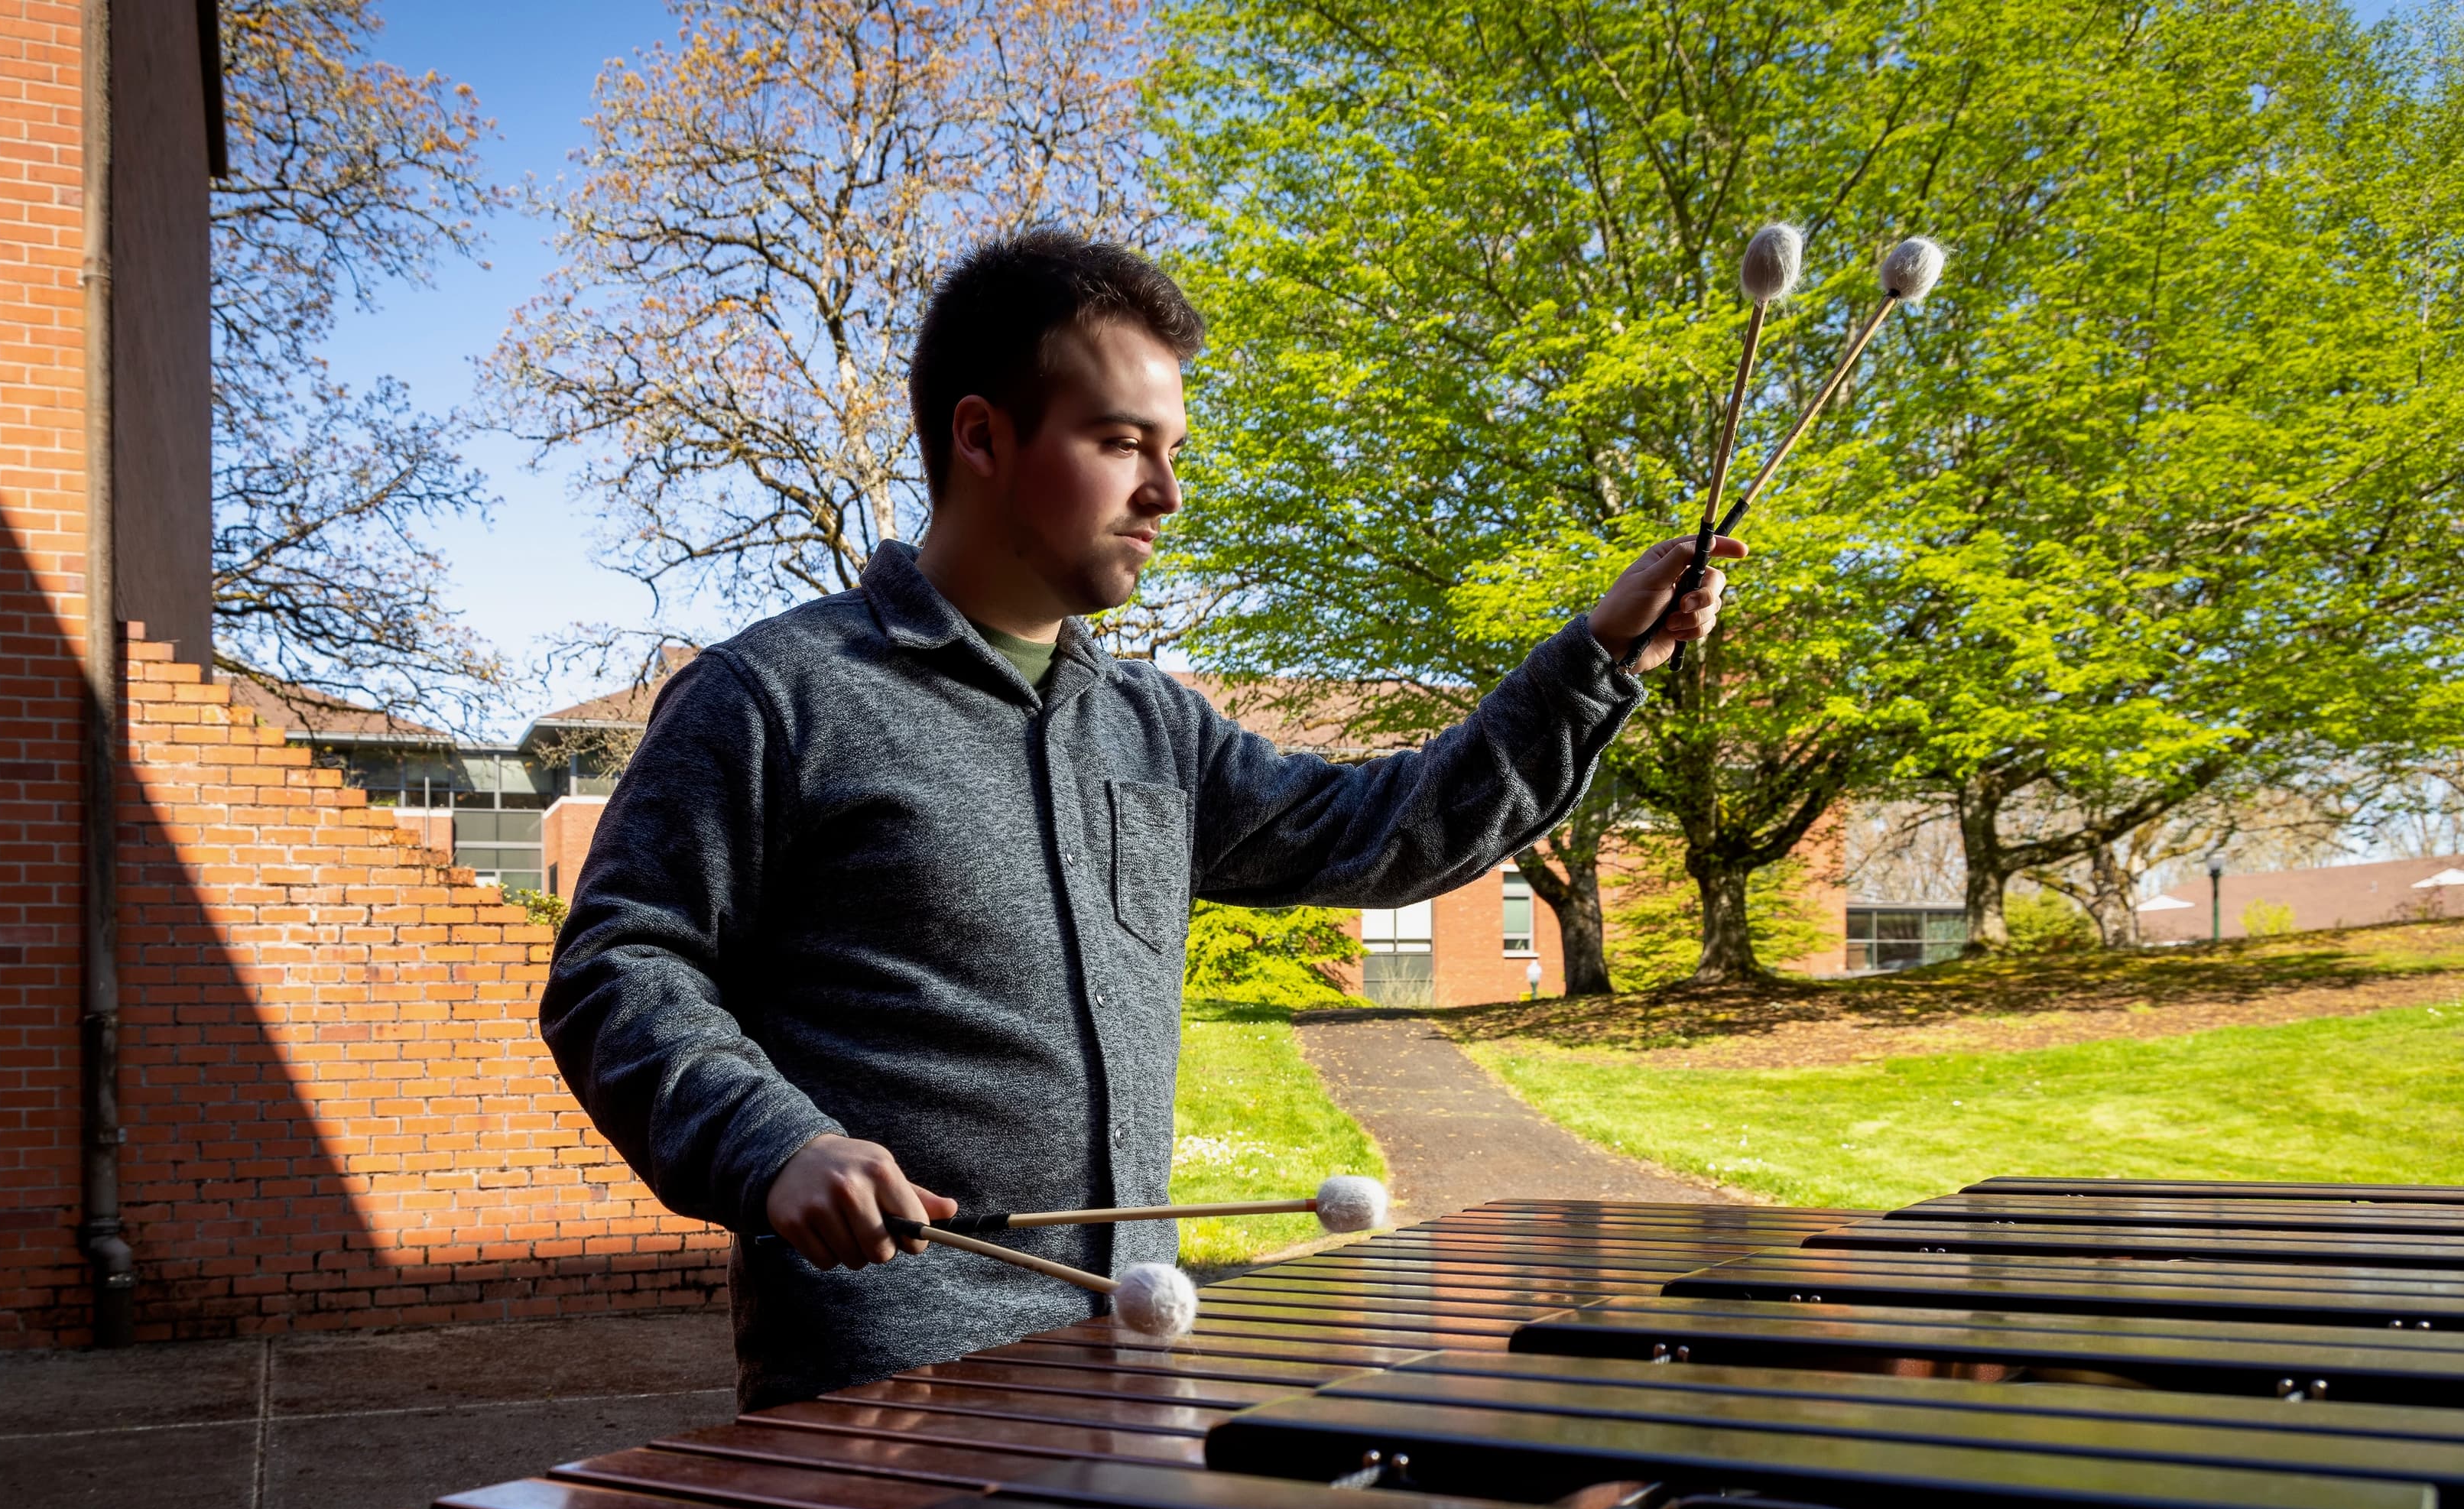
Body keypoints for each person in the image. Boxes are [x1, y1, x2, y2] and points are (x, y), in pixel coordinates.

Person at [541, 229, 1736, 1411]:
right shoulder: (776, 697)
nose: (1166, 493)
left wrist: (1597, 655)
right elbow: (621, 968)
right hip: (884, 1404)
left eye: (1172, 450)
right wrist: (774, 1145)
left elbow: (1393, 826)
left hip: (1124, 1365)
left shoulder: (1152, 723)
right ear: (982, 437)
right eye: (1121, 444)